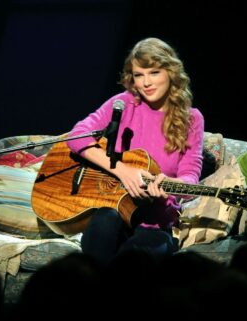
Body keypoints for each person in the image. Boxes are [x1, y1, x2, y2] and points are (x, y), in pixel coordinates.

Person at [66, 37, 204, 265]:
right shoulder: (123, 103)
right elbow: (76, 135)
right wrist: (122, 170)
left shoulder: (192, 119)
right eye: (139, 75)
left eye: (154, 72)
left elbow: (190, 179)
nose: (146, 82)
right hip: (113, 209)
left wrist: (166, 183)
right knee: (103, 223)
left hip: (155, 220)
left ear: (171, 72)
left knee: (137, 260)